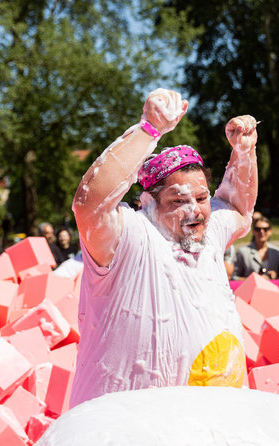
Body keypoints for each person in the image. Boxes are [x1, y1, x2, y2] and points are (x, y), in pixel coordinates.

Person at [69, 88, 258, 408]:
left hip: (214, 421)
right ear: (149, 202)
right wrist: (149, 129)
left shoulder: (208, 231)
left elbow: (237, 207)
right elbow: (90, 207)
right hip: (125, 428)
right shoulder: (132, 234)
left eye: (200, 198)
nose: (194, 210)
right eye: (177, 201)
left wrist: (244, 152)